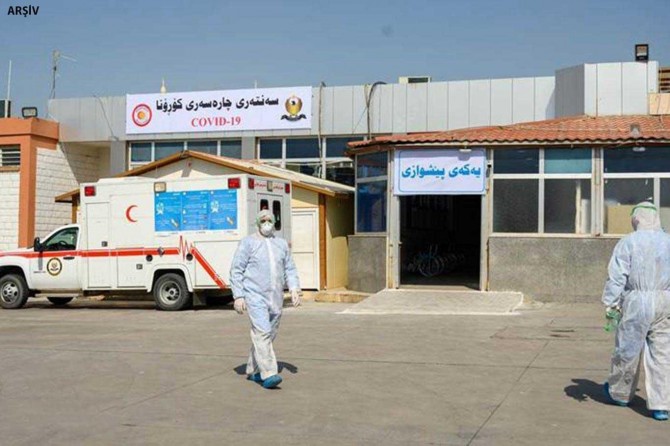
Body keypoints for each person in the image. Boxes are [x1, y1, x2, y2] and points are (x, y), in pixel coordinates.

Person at [602, 202, 670, 421]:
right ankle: (661, 404)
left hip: (637, 302)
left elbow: (617, 276)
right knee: (662, 353)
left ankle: (620, 393)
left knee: (627, 349)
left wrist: (611, 303)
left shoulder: (628, 242)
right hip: (664, 301)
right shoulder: (668, 241)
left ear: (636, 219)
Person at [229, 209, 301, 389]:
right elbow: (236, 269)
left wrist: (294, 288)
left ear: (274, 222)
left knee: (269, 334)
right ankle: (269, 373)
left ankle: (253, 369)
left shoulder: (281, 244)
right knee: (262, 332)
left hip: (275, 297)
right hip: (255, 295)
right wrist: (238, 295)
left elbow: (289, 268)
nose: (267, 223)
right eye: (263, 221)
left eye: (269, 220)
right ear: (257, 223)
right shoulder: (248, 243)